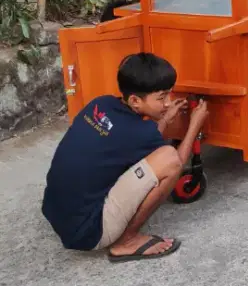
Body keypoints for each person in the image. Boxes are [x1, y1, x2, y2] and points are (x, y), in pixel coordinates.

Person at [42, 52, 208, 262]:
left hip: (57, 213)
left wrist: (165, 118)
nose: (168, 102)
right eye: (161, 97)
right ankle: (127, 242)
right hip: (89, 233)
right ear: (135, 101)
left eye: (169, 95)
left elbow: (133, 138)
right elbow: (177, 161)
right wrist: (195, 124)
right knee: (168, 159)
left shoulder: (101, 104)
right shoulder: (141, 133)